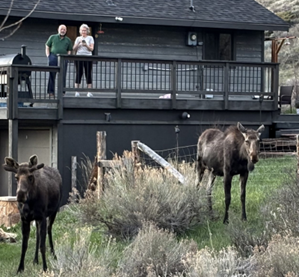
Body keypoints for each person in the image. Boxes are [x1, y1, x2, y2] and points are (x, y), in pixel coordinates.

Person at [45, 24, 72, 98]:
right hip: (53, 56)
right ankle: (51, 92)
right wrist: (48, 55)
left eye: (64, 29)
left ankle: (62, 92)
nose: (62, 30)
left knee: (63, 75)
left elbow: (69, 50)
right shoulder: (52, 37)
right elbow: (47, 46)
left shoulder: (68, 40)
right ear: (58, 29)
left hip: (63, 58)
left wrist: (67, 57)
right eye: (61, 29)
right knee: (52, 75)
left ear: (66, 31)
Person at [73, 23, 94, 97]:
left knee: (88, 74)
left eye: (85, 30)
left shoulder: (90, 38)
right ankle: (77, 91)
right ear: (80, 31)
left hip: (88, 57)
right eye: (82, 30)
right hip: (79, 57)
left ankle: (89, 92)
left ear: (87, 31)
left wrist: (86, 45)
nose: (83, 32)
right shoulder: (78, 38)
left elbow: (91, 49)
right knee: (79, 73)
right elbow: (74, 49)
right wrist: (79, 43)